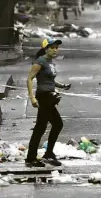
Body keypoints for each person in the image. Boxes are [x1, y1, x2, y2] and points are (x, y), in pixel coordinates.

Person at [25, 37, 71, 167]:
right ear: (46, 49)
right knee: (50, 126)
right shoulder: (40, 61)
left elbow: (50, 80)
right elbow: (30, 79)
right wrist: (32, 98)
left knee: (46, 126)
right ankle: (38, 156)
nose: (55, 50)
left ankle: (41, 155)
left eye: (56, 48)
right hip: (44, 96)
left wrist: (61, 86)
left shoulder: (50, 62)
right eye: (52, 47)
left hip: (50, 96)